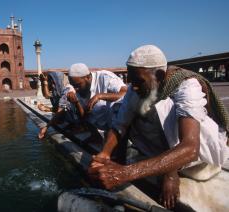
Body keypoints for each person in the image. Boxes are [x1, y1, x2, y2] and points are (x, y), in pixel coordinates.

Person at [88, 45, 229, 209]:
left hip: (196, 157)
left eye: (139, 81)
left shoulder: (187, 86)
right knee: (122, 107)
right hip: (161, 148)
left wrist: (125, 173)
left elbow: (190, 147)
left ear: (160, 75)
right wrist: (105, 154)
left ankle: (172, 168)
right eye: (131, 80)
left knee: (165, 107)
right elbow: (120, 126)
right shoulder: (136, 88)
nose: (133, 87)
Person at [67, 63, 127, 132]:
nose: (76, 89)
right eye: (73, 86)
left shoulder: (105, 77)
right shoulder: (77, 90)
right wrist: (76, 103)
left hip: (118, 128)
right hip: (99, 132)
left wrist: (100, 96)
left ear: (88, 77)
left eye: (78, 85)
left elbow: (125, 93)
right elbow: (84, 118)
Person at [38, 71, 77, 139]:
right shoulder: (57, 90)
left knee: (61, 109)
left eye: (53, 82)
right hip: (66, 112)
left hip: (76, 116)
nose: (52, 85)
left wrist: (46, 128)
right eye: (51, 82)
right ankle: (65, 120)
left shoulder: (67, 89)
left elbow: (61, 110)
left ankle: (78, 125)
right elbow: (47, 95)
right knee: (56, 101)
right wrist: (44, 82)